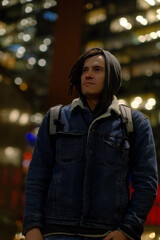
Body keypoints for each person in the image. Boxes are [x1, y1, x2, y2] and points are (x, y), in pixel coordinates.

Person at [23, 48, 158, 240]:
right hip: (56, 232)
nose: (88, 75)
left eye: (97, 69)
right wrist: (31, 226)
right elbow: (37, 176)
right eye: (84, 70)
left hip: (107, 234)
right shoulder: (56, 118)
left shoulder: (135, 123)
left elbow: (146, 183)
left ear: (112, 76)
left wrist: (127, 230)